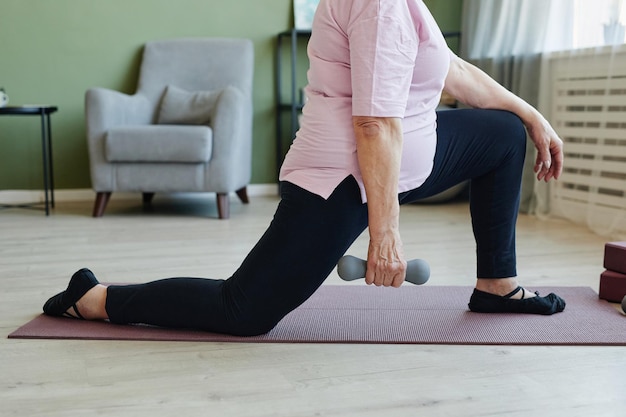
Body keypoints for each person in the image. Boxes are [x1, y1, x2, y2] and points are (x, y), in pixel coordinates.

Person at [43, 0, 565, 336]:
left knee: (500, 134)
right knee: (243, 310)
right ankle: (94, 298)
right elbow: (373, 127)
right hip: (345, 176)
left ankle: (496, 286)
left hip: (409, 154)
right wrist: (385, 236)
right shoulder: (380, 6)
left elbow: (450, 70)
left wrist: (529, 113)